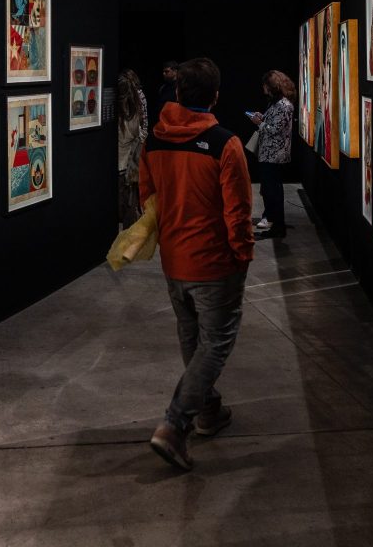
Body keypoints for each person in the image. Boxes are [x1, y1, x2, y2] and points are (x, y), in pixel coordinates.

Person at [139, 57, 254, 470]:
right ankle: (174, 424)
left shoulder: (153, 142)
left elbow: (147, 201)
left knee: (192, 338)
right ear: (215, 96)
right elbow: (238, 212)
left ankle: (208, 410)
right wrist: (242, 255)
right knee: (216, 343)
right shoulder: (225, 144)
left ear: (178, 93)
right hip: (215, 264)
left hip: (174, 262)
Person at [246, 70, 295, 240]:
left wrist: (259, 123)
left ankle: (277, 226)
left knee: (273, 191)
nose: (263, 89)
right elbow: (272, 124)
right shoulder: (276, 104)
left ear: (271, 86)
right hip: (268, 153)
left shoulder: (283, 105)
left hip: (274, 155)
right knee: (269, 190)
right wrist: (262, 118)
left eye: (265, 86)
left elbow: (275, 130)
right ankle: (275, 224)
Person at [116, 69, 146, 227]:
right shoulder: (135, 110)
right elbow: (140, 133)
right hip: (131, 164)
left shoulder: (122, 113)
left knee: (127, 207)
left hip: (124, 164)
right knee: (130, 206)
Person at [152, 60, 178, 125]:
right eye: (163, 72)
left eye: (167, 71)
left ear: (175, 72)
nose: (164, 74)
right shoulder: (163, 88)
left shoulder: (181, 87)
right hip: (163, 122)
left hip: (175, 122)